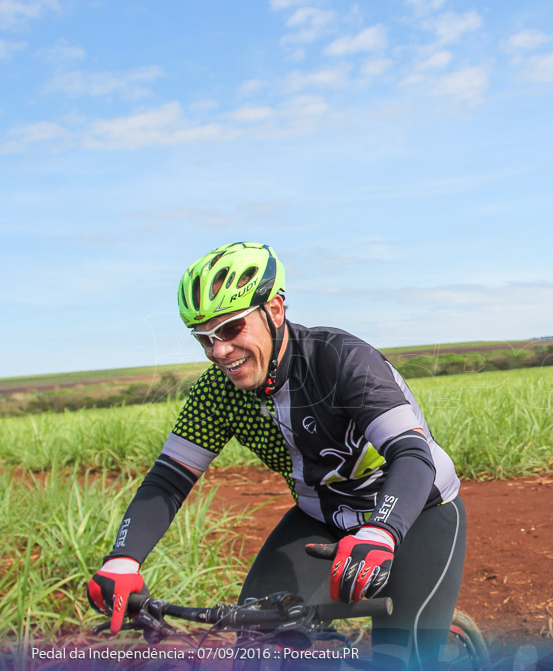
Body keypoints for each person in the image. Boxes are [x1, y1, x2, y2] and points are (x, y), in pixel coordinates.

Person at [87, 242, 465, 670]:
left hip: (418, 512)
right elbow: (169, 478)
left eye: (230, 329)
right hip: (324, 517)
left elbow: (412, 455)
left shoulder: (339, 359)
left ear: (276, 310)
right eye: (204, 338)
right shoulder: (218, 392)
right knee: (257, 646)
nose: (218, 351)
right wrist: (123, 558)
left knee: (402, 660)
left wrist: (381, 533)